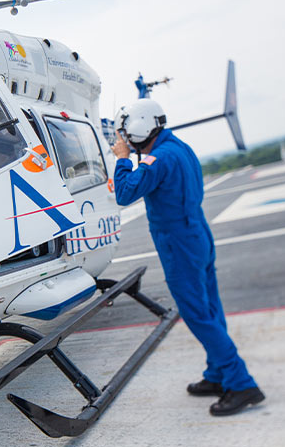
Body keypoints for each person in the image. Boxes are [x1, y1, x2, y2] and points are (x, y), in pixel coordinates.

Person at [111, 98, 264, 416]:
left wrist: (123, 159)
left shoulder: (159, 159)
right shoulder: (180, 148)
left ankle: (241, 382)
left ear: (139, 128)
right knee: (210, 307)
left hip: (179, 244)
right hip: (198, 234)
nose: (123, 139)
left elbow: (125, 193)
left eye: (126, 132)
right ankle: (218, 374)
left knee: (197, 314)